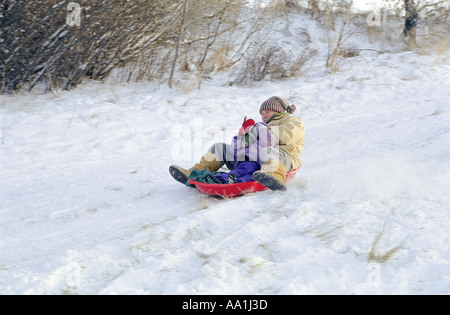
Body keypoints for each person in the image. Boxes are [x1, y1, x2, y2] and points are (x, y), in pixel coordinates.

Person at [169, 96, 305, 191]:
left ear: (278, 110)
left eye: (267, 111)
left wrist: (260, 130)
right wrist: (244, 136)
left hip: (284, 159)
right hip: (255, 160)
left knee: (267, 151)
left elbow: (287, 136)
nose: (263, 115)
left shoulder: (293, 122)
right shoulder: (261, 126)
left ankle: (274, 177)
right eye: (262, 113)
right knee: (219, 147)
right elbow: (241, 147)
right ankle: (194, 173)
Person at [204, 117, 278, 184]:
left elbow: (268, 144)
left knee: (251, 176)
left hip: (255, 163)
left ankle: (237, 181)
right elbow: (233, 151)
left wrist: (261, 129)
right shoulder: (245, 141)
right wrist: (239, 137)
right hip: (241, 162)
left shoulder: (263, 134)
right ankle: (218, 179)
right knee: (234, 172)